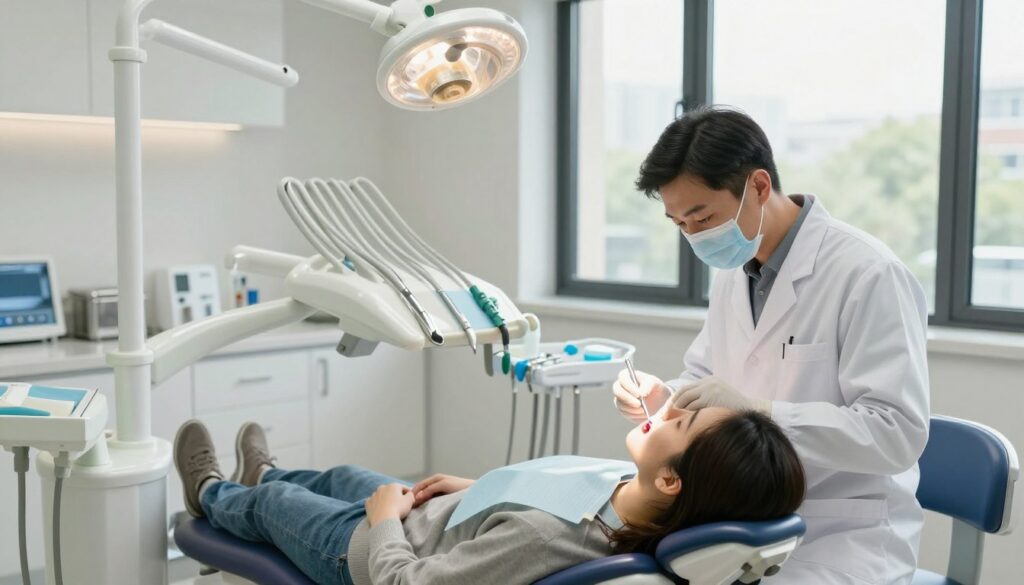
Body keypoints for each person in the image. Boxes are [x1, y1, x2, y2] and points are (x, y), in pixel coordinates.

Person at [613, 106, 930, 585]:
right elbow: (705, 376)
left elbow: (897, 434)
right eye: (680, 224)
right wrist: (666, 396)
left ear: (759, 187)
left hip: (843, 533)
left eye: (703, 217)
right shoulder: (734, 275)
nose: (695, 237)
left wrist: (762, 410)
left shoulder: (867, 274)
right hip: (746, 524)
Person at [174, 406, 805, 585]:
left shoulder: (544, 544)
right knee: (340, 474)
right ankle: (265, 474)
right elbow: (552, 492)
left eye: (681, 423)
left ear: (672, 479)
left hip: (368, 553)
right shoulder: (630, 492)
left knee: (273, 514)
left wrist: (386, 522)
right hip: (439, 514)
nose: (665, 412)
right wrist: (482, 488)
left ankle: (214, 493)